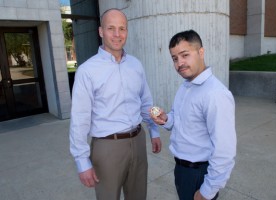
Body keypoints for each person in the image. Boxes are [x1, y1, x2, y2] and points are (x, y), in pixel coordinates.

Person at [69, 8, 162, 200]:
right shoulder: (87, 71)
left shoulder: (136, 65)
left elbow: (146, 102)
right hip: (107, 147)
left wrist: (154, 131)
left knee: (138, 196)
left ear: (127, 31)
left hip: (137, 140)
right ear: (101, 31)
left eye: (122, 28)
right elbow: (80, 119)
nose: (117, 34)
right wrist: (82, 161)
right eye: (111, 28)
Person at [150, 30, 236, 200]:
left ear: (201, 52)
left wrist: (207, 191)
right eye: (175, 58)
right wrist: (166, 119)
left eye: (185, 55)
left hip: (199, 175)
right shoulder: (185, 86)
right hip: (182, 170)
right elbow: (178, 119)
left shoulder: (215, 94)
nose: (179, 63)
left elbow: (225, 152)